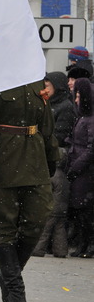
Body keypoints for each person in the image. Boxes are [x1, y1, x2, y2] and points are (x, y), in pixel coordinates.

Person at [0, 81, 57, 302]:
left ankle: (8, 274)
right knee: (5, 225)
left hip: (35, 158)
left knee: (37, 221)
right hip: (3, 158)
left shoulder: (36, 81)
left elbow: (46, 123)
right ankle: (16, 291)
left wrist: (52, 154)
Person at [32, 72, 76, 258]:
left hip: (56, 161)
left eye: (48, 87)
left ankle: (45, 247)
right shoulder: (47, 105)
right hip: (47, 157)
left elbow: (58, 136)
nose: (44, 90)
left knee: (54, 212)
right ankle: (56, 248)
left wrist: (41, 140)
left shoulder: (64, 107)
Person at [64, 78, 94, 258]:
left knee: (86, 211)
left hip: (85, 173)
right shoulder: (83, 118)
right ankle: (84, 244)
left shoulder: (90, 120)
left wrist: (75, 166)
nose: (76, 100)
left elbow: (91, 149)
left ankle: (88, 244)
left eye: (78, 96)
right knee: (80, 211)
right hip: (80, 171)